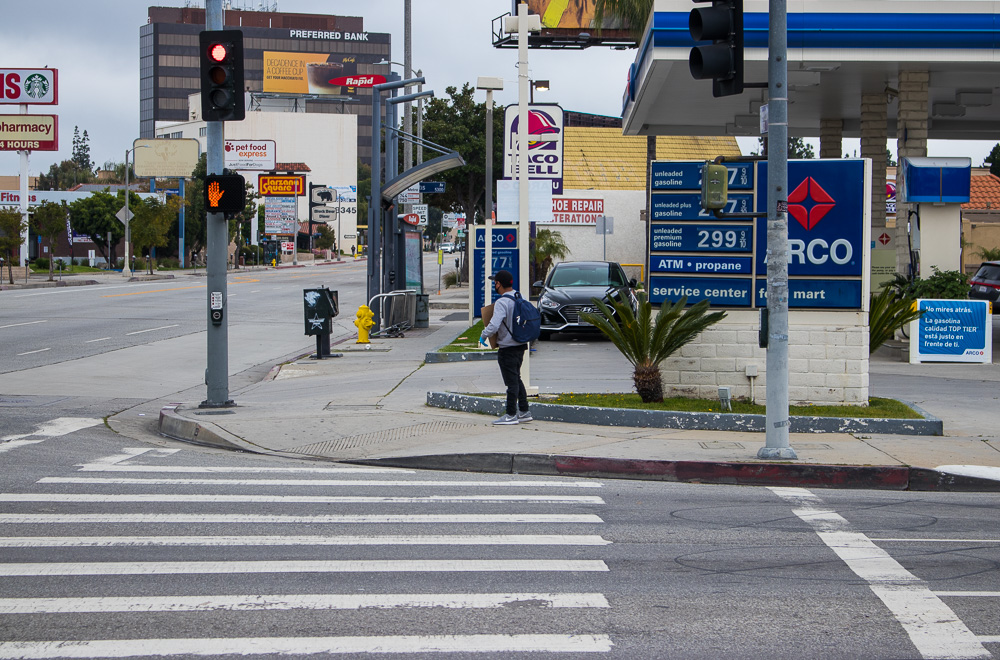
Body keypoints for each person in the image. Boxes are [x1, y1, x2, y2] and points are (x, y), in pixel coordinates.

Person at [480, 270, 532, 425]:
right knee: (516, 378)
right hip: (520, 345)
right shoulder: (518, 296)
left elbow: (494, 325)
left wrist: (483, 335)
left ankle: (510, 414)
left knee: (511, 383)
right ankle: (524, 411)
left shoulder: (502, 302)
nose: (495, 285)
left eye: (495, 282)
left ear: (499, 284)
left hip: (507, 347)